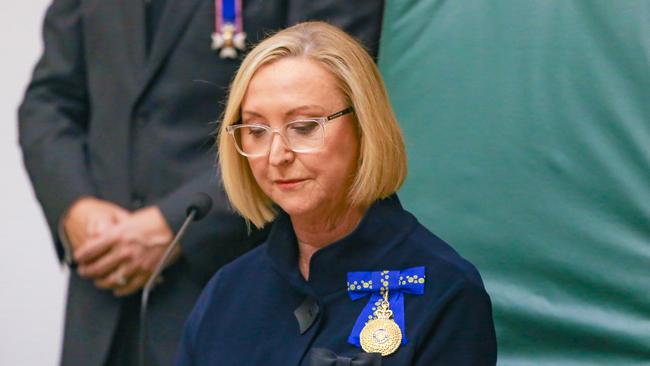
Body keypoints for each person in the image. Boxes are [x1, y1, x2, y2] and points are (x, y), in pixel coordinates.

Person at [18, 1, 384, 365]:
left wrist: (176, 222)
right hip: (101, 292)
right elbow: (49, 101)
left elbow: (328, 108)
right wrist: (75, 206)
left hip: (239, 282)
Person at [176, 21, 497, 365]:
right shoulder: (228, 291)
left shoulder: (445, 291)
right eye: (256, 130)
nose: (276, 155)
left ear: (364, 128)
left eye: (303, 127)